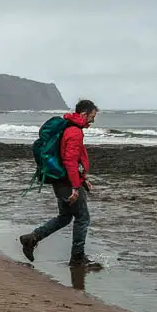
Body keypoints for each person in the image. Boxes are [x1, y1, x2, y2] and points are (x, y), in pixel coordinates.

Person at [19, 100, 102, 270]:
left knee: (65, 216)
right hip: (66, 181)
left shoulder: (69, 127)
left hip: (61, 180)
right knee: (82, 218)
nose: (92, 121)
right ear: (84, 114)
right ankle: (77, 258)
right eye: (92, 117)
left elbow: (71, 159)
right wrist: (75, 187)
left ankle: (32, 238)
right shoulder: (74, 132)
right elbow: (69, 161)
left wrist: (83, 178)